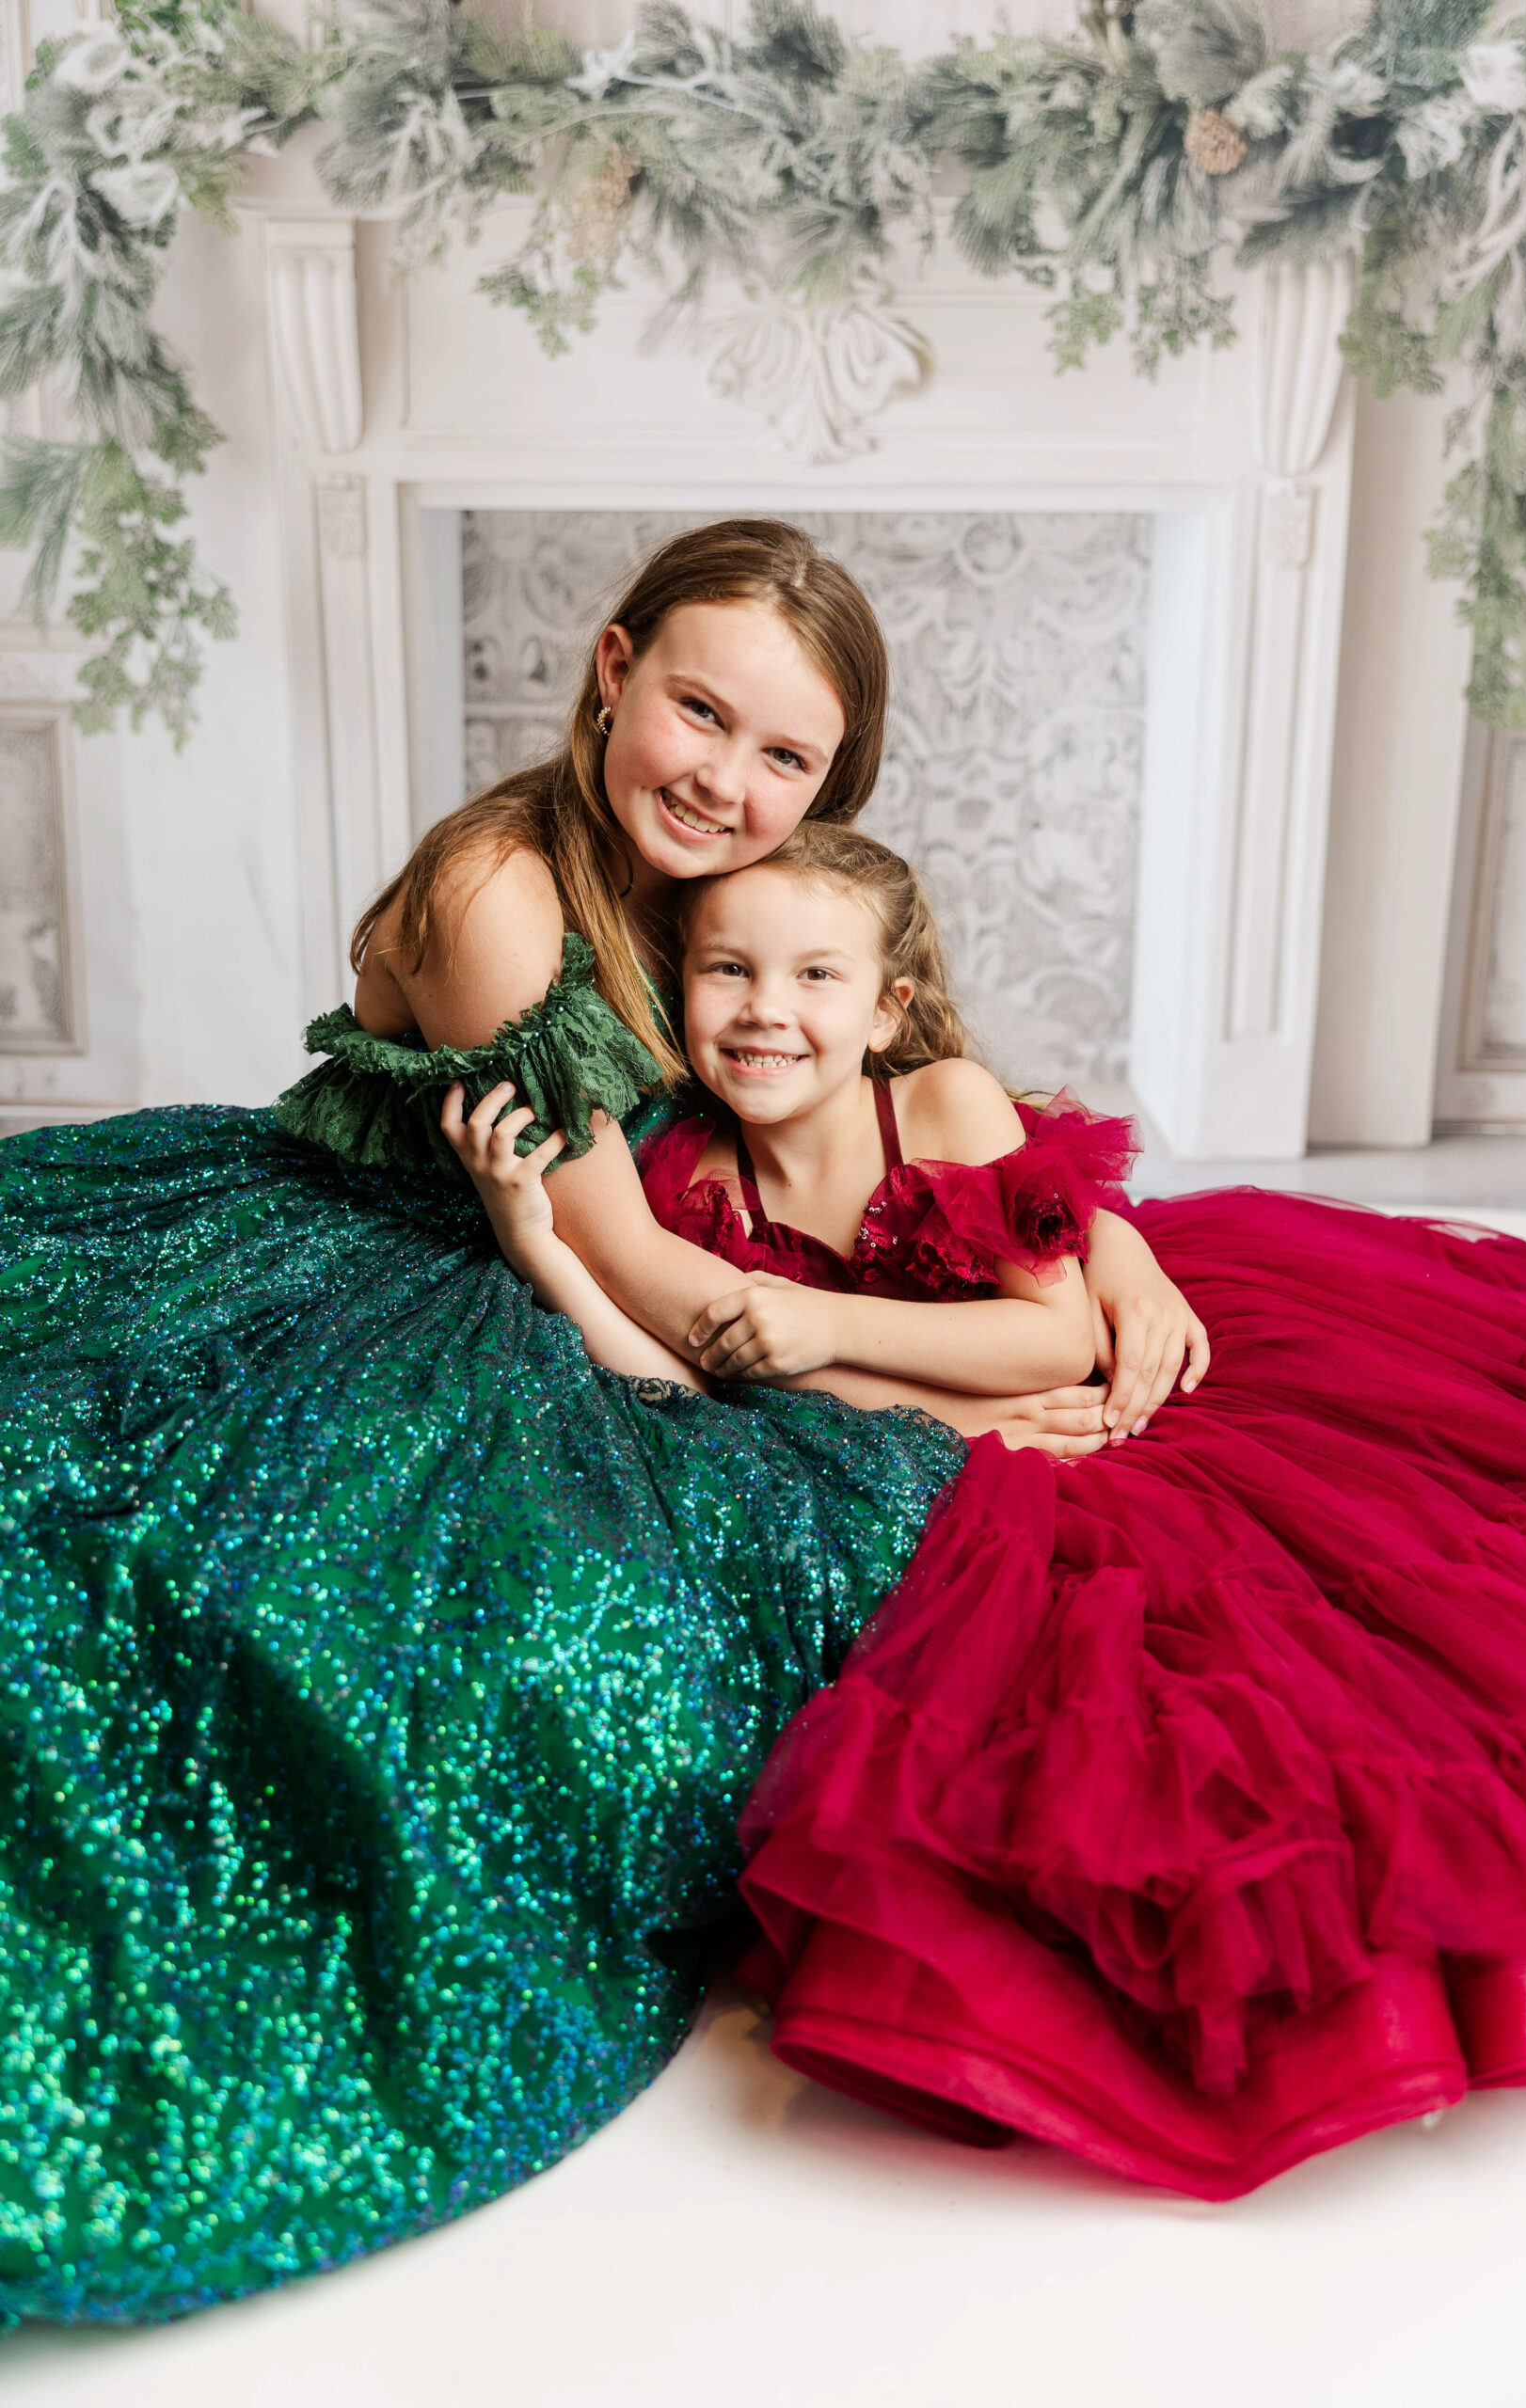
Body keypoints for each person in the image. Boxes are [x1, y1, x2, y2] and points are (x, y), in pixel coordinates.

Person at [0, 519, 1197, 2326]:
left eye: (786, 758)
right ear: (611, 667)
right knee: (490, 1603)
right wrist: (908, 1400)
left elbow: (892, 1068)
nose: (727, 783)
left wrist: (1104, 1244)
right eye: (698, 711)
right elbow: (632, 1260)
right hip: (440, 1260)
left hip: (624, 1263)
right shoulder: (505, 894)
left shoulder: (733, 889)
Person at [461, 819, 1526, 2201]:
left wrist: (817, 1325)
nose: (766, 1010)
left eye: (816, 976)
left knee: (1309, 1644)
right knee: (1047, 1734)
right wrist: (541, 1240)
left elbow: (1053, 1343)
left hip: (1103, 1421)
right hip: (953, 1466)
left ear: (887, 1004)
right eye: (726, 973)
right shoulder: (690, 1176)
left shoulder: (938, 1101)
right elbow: (698, 1386)